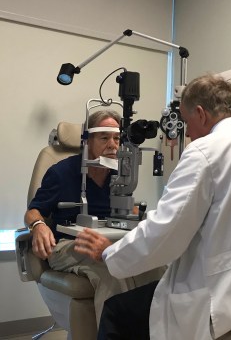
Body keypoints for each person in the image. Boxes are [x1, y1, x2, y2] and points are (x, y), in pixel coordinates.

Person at [74, 74, 231, 340]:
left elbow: (165, 231)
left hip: (227, 299)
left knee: (116, 311)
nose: (187, 134)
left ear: (200, 113)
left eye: (187, 123)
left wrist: (109, 253)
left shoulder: (205, 151)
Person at [25, 109, 156, 327]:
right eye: (104, 138)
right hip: (69, 245)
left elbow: (127, 212)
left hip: (108, 243)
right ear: (87, 141)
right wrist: (38, 225)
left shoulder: (119, 175)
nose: (112, 145)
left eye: (116, 138)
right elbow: (33, 211)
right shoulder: (62, 172)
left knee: (155, 269)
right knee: (110, 273)